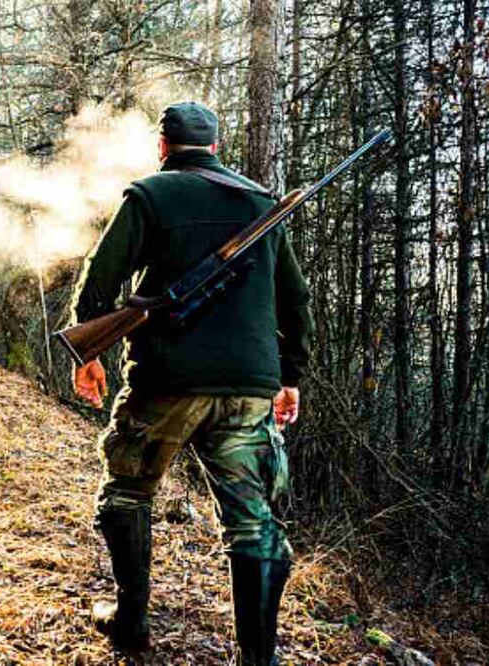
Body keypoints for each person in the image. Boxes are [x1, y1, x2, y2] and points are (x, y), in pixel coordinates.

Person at [69, 101, 314, 663]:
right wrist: (290, 376)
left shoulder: (150, 194)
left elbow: (99, 280)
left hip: (167, 382)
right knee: (253, 523)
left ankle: (131, 621)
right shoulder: (262, 205)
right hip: (250, 387)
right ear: (216, 147)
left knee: (128, 491)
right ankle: (258, 658)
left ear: (163, 147)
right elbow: (295, 303)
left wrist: (90, 354)